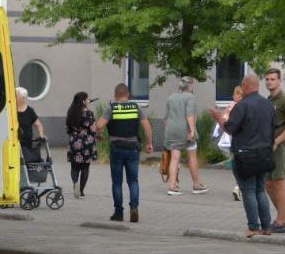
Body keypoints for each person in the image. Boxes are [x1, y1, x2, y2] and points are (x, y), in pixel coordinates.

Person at [210, 73, 274, 237]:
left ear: (246, 86)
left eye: (243, 86)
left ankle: (253, 227)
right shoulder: (267, 104)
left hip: (245, 155)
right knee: (260, 190)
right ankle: (266, 227)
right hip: (264, 154)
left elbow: (230, 128)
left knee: (248, 191)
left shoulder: (242, 105)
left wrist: (218, 118)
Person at [94, 82, 154, 223]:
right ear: (128, 95)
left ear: (115, 95)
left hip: (116, 147)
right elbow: (148, 128)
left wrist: (99, 134)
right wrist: (150, 143)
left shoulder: (112, 108)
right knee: (133, 181)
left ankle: (118, 213)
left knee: (117, 182)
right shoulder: (136, 108)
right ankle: (134, 208)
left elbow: (99, 125)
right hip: (133, 147)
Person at [264, 68, 285, 233]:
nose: (269, 82)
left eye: (272, 79)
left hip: (281, 147)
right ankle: (283, 218)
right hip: (270, 147)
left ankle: (282, 220)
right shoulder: (269, 99)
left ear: (279, 81)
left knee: (279, 183)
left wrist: (277, 141)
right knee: (268, 183)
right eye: (267, 79)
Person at [163, 79, 207, 196]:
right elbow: (189, 114)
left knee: (174, 158)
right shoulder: (190, 97)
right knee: (192, 157)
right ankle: (196, 185)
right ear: (190, 86)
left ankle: (172, 186)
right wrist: (192, 130)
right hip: (185, 131)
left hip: (171, 131)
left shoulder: (170, 97)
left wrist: (167, 132)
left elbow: (166, 118)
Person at [65, 91, 98, 199]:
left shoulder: (71, 112)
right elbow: (93, 129)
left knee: (74, 167)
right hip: (86, 142)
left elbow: (68, 128)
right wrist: (97, 136)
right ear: (83, 101)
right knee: (85, 167)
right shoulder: (88, 113)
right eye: (88, 99)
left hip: (74, 141)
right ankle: (81, 191)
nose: (89, 100)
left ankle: (75, 183)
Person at [213, 85, 243, 201]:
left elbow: (224, 121)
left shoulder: (230, 106)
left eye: (235, 93)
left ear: (239, 94)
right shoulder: (243, 106)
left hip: (230, 138)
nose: (233, 95)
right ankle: (238, 186)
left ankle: (238, 186)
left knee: (236, 163)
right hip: (239, 139)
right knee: (241, 164)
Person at [16, 87, 47, 190]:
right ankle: (20, 186)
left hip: (27, 144)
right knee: (17, 166)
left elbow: (38, 125)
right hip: (15, 144)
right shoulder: (11, 111)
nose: (24, 100)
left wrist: (41, 133)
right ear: (16, 97)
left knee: (25, 165)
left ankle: (24, 186)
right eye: (22, 98)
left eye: (25, 98)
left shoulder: (30, 111)